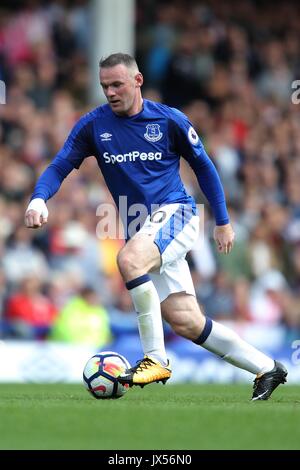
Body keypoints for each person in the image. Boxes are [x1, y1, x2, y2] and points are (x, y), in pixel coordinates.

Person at [25, 53, 287, 400]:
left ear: (138, 81)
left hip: (176, 214)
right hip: (143, 228)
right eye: (105, 86)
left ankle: (155, 359)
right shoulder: (92, 125)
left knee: (130, 260)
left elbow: (205, 168)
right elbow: (60, 165)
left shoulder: (169, 121)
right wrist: (39, 198)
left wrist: (222, 221)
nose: (111, 92)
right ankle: (268, 368)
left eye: (117, 84)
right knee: (186, 321)